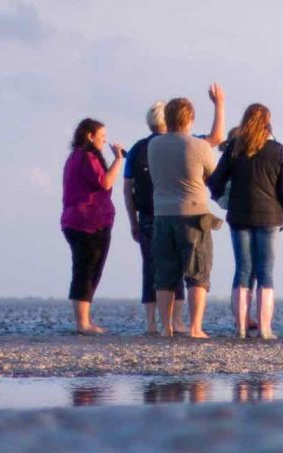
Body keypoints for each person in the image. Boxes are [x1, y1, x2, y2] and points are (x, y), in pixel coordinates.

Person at [208, 103, 283, 340]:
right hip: (270, 216)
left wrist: (222, 199)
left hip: (239, 215)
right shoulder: (277, 150)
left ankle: (241, 328)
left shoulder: (235, 148)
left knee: (243, 270)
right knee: (265, 271)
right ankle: (265, 329)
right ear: (268, 123)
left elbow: (215, 181)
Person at [149, 96, 225, 338]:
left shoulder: (154, 145)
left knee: (165, 274)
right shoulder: (198, 146)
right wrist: (219, 105)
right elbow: (213, 176)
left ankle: (166, 327)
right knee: (197, 273)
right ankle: (195, 327)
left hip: (162, 214)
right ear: (190, 119)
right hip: (192, 215)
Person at [124, 103, 186, 334]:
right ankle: (176, 321)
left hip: (147, 215)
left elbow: (127, 189)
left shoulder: (136, 149)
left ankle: (151, 323)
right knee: (176, 267)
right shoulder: (177, 145)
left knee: (150, 268)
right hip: (172, 212)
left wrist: (132, 221)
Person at [61, 118, 124, 335]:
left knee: (90, 270)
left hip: (87, 222)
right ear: (90, 135)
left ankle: (85, 320)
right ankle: (82, 323)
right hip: (85, 223)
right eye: (102, 136)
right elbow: (105, 182)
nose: (104, 140)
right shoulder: (85, 157)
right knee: (85, 270)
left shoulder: (77, 157)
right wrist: (118, 160)